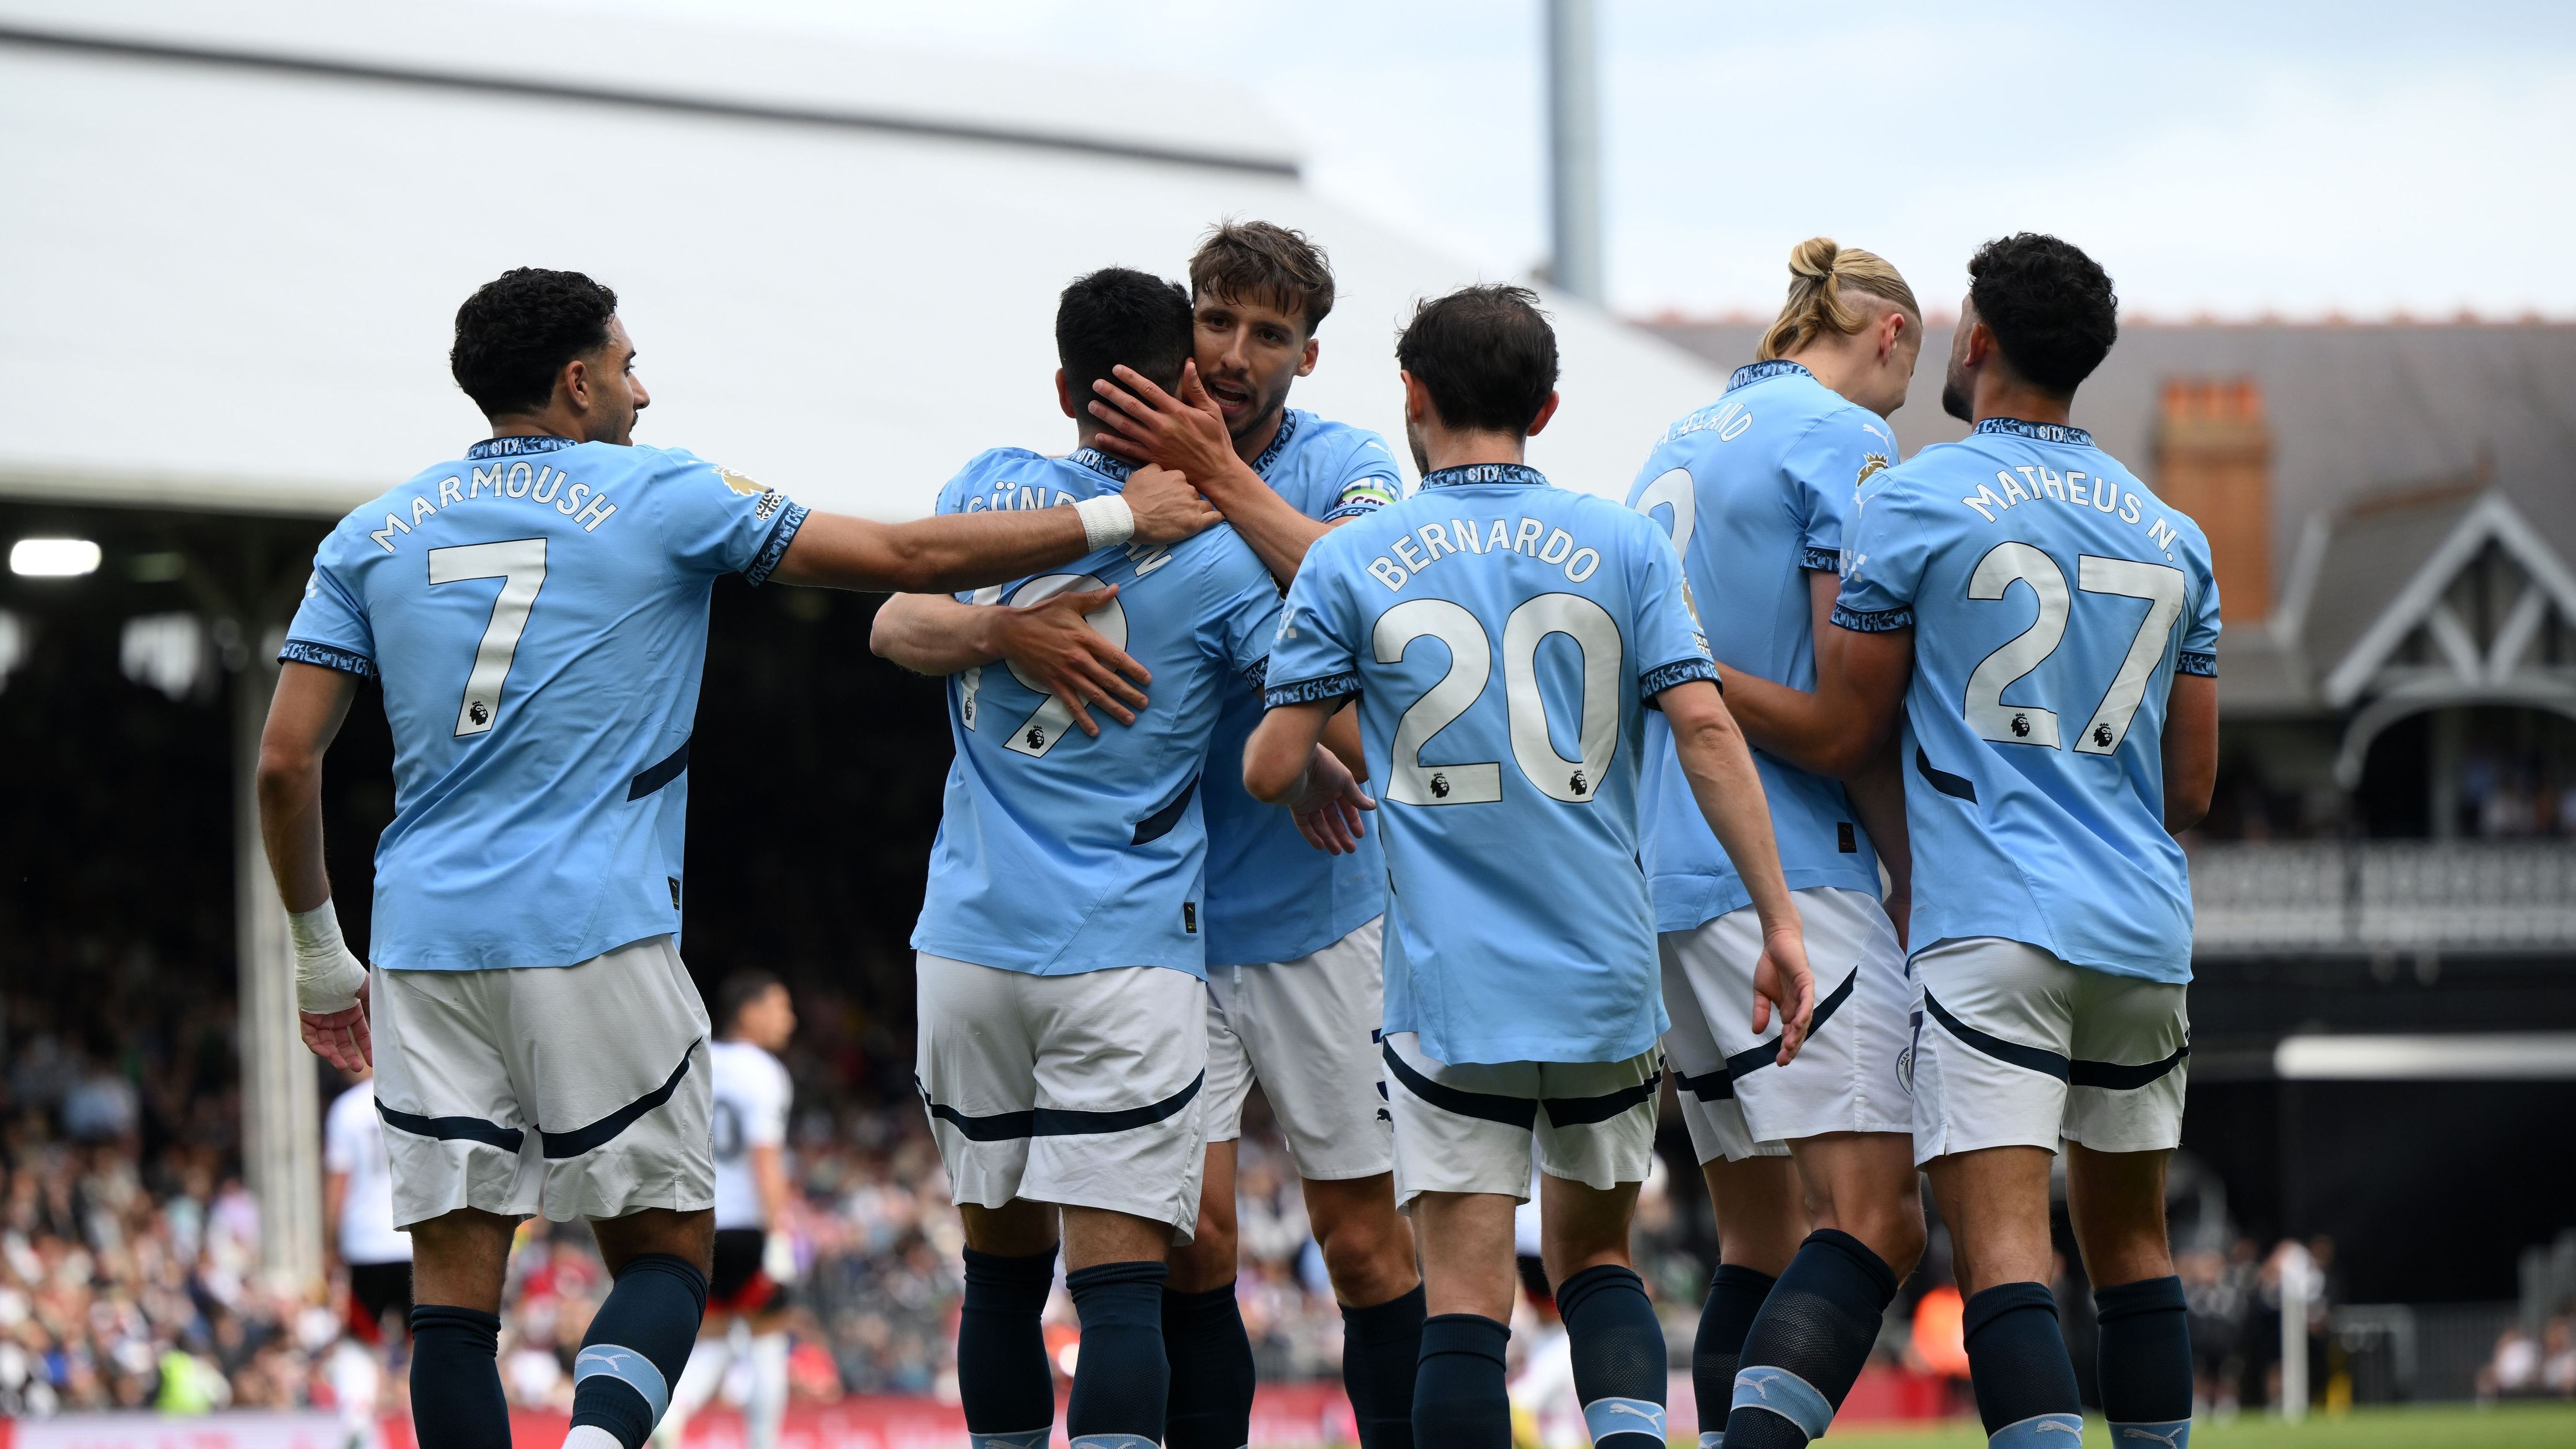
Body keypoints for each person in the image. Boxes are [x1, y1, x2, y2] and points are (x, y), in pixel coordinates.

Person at [258, 266, 1219, 1449]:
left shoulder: (369, 536)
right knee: (669, 1253)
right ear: (575, 383)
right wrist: (1123, 518)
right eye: (624, 366)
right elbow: (908, 555)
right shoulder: (661, 491)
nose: (641, 390)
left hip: (420, 945)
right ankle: (603, 1439)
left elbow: (284, 765)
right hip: (593, 930)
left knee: (452, 1316)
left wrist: (317, 957)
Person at [1244, 284, 1816, 1449]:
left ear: (1411, 394)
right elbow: (1708, 734)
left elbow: (1271, 770)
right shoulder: (1625, 542)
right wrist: (1781, 921)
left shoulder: (1352, 560)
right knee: (1598, 1258)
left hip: (1449, 987)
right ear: (1547, 407)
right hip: (1605, 972)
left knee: (1463, 1296)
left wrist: (1308, 741)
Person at [874, 267, 1364, 1449]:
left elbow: (893, 619)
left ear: (1060, 386)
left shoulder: (993, 487)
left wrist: (995, 629)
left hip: (967, 946)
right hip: (1123, 957)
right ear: (1190, 382)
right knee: (1122, 1290)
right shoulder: (1223, 561)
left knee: (996, 1281)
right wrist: (1309, 768)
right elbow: (1329, 715)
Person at [970, 218, 1425, 1449]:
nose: (1231, 351)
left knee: (1367, 1241)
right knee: (1189, 1244)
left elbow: (1376, 590)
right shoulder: (1094, 475)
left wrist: (1218, 474)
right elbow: (929, 601)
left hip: (1324, 906)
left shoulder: (1343, 461)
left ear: (1309, 357)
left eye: (1266, 332)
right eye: (1215, 320)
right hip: (1160, 925)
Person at [1782, 234, 2220, 1449]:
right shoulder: (2173, 533)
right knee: (2135, 1247)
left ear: (1972, 341)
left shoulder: (1909, 496)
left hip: (1990, 924)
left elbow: (1848, 723)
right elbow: (2191, 784)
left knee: (2006, 1255)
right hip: (2142, 928)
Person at [1628, 238, 1927, 1449]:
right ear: (1889, 335)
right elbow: (1844, 723)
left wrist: (1681, 684)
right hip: (1788, 874)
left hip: (1667, 874)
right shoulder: (1847, 440)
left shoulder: (1679, 437)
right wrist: (1916, 870)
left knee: (1757, 1235)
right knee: (1875, 1219)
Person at [655, 972, 800, 1449]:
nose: (789, 1019)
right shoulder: (763, 1072)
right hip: (748, 1226)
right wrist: (779, 1237)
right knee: (768, 1338)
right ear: (748, 1011)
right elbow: (765, 1158)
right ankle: (763, 1442)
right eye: (779, 1007)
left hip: (698, 1221)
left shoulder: (698, 1063)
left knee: (713, 1338)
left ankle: (671, 1419)